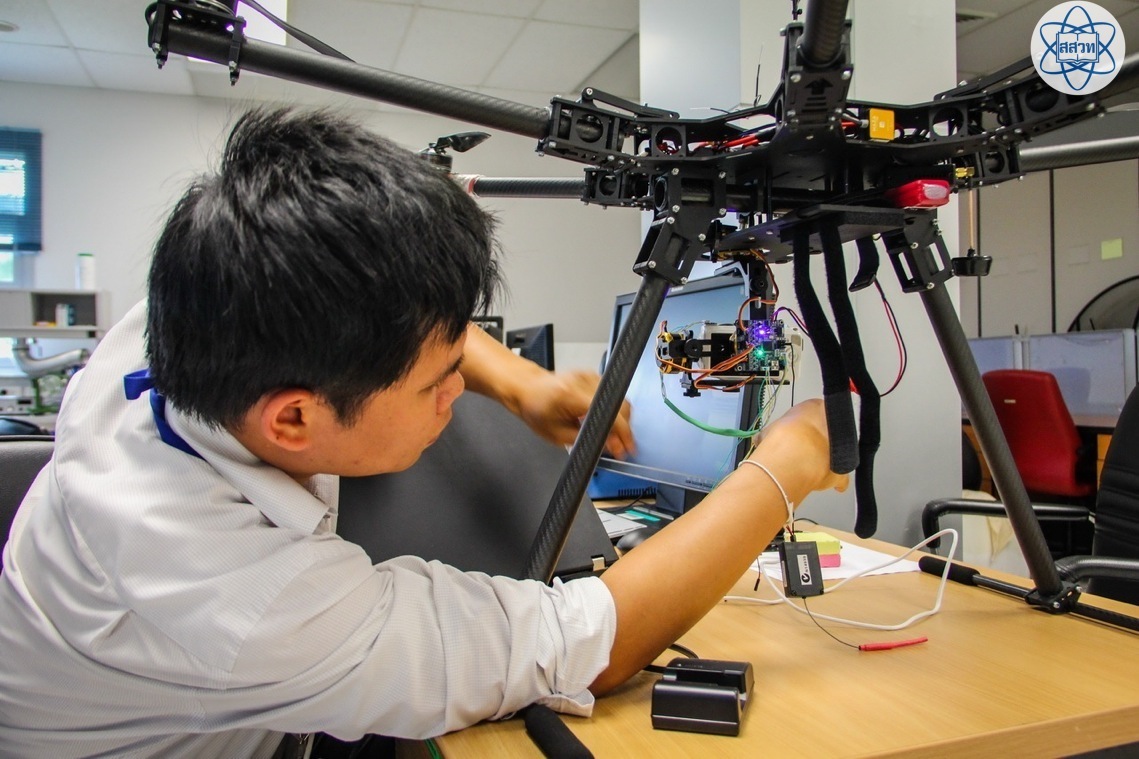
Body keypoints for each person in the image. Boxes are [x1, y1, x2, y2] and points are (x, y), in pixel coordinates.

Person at [0, 107, 845, 758]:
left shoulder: (195, 317)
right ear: (292, 418)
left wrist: (523, 385)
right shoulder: (245, 602)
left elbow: (393, 316)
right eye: (434, 381)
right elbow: (583, 641)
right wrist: (787, 462)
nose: (457, 391)